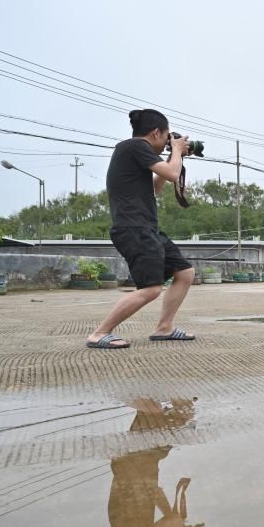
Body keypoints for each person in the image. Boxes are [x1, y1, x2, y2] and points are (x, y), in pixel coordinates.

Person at [86, 109, 196, 349]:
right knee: (151, 289)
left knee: (185, 273)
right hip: (133, 228)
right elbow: (172, 173)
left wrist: (174, 156)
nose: (167, 143)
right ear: (156, 132)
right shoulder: (133, 146)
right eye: (167, 137)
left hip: (147, 228)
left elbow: (158, 186)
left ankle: (164, 328)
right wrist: (176, 152)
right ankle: (99, 333)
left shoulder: (137, 154)